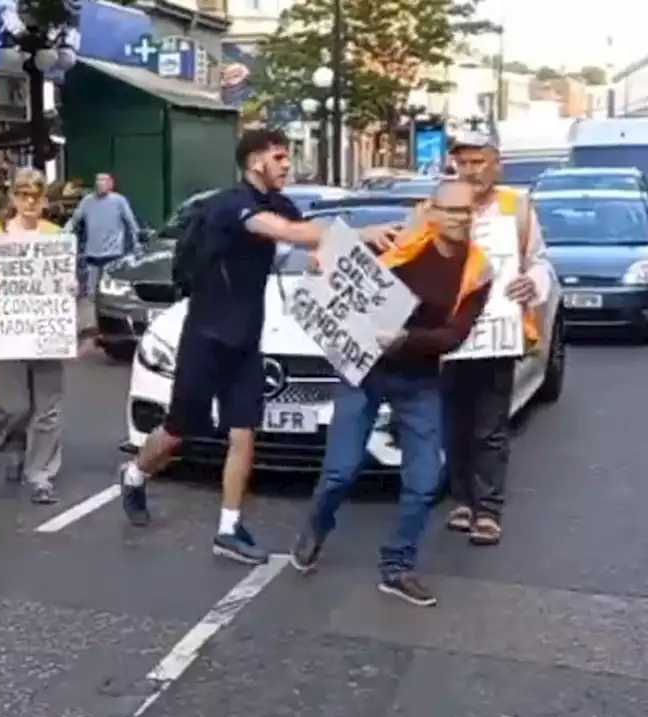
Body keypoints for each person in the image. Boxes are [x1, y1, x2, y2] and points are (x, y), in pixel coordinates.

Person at [116, 129, 399, 563]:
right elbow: (281, 230)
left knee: (243, 432)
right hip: (206, 337)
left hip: (247, 339)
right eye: (280, 157)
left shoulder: (278, 202)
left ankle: (228, 528)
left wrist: (324, 256)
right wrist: (358, 234)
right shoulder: (232, 205)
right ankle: (135, 474)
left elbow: (305, 231)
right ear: (254, 162)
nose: (287, 165)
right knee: (176, 433)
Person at [290, 178, 493, 607]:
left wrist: (404, 340)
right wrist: (318, 265)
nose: (460, 219)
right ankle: (316, 527)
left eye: (467, 211)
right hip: (363, 371)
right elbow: (333, 267)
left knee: (424, 481)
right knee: (341, 471)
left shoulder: (478, 270)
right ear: (432, 211)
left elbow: (454, 335)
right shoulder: (397, 243)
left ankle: (397, 567)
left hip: (418, 379)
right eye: (451, 210)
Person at [440, 127, 550, 546]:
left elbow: (539, 262)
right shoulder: (442, 202)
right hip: (450, 336)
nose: (469, 171)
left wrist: (531, 283)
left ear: (496, 164)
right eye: (462, 163)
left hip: (497, 335)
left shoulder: (516, 208)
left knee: (489, 424)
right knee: (454, 423)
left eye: (478, 162)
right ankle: (462, 501)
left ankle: (488, 509)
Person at [0, 168, 76, 504]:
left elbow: (70, 280)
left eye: (37, 194)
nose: (30, 201)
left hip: (45, 334)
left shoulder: (56, 236)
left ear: (44, 200)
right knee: (15, 407)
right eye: (24, 194)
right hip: (8, 334)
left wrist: (72, 287)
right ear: (13, 197)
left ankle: (40, 474)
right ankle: (13, 444)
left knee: (49, 408)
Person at [65, 173, 140, 297]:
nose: (100, 183)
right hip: (93, 252)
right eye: (98, 180)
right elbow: (74, 220)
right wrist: (64, 233)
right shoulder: (87, 201)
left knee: (112, 290)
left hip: (113, 253)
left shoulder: (119, 201)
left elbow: (131, 222)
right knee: (91, 292)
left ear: (111, 184)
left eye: (104, 180)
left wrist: (138, 241)